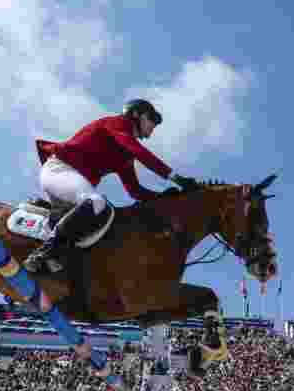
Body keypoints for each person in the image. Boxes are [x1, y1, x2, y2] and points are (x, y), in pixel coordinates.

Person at [23, 99, 200, 273]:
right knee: (97, 202)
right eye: (151, 118)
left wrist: (163, 197)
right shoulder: (117, 123)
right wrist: (175, 178)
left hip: (70, 181)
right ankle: (43, 253)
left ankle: (63, 261)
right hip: (59, 171)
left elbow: (135, 191)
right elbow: (140, 152)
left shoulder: (125, 155)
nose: (154, 125)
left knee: (97, 217)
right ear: (136, 114)